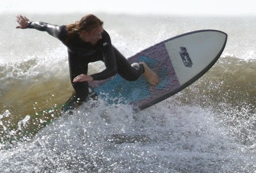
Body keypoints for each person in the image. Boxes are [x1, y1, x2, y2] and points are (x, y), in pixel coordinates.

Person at [16, 14, 158, 108]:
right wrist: (28, 24)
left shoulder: (104, 38)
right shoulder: (63, 33)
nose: (101, 36)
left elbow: (112, 69)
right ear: (84, 33)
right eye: (97, 34)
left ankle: (142, 67)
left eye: (101, 32)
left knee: (131, 76)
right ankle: (76, 104)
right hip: (78, 58)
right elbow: (44, 26)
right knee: (82, 95)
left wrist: (92, 77)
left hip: (101, 53)